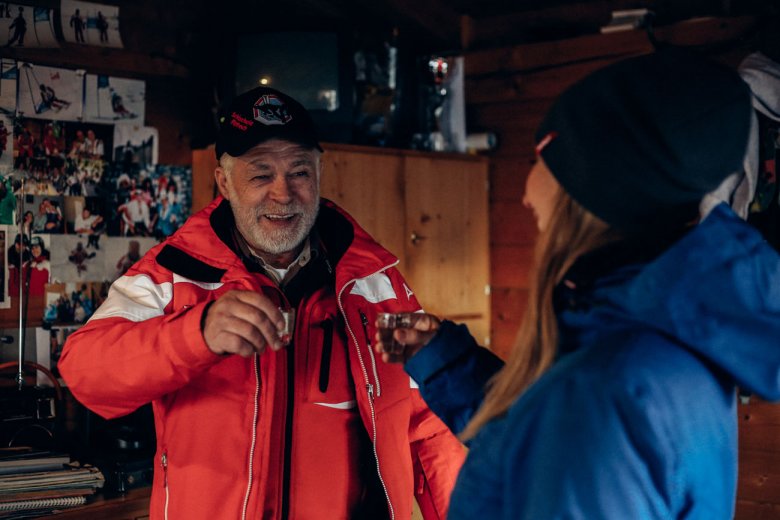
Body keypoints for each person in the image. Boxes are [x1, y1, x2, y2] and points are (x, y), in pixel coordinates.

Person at [374, 48, 780, 519]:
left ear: (594, 187)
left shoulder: (609, 388)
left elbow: (579, 431)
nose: (525, 193)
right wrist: (445, 362)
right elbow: (543, 447)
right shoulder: (665, 332)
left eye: (538, 158)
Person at [59, 85, 464, 519]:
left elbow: (432, 425)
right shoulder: (173, 273)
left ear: (319, 174)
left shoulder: (376, 284)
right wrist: (195, 335)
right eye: (260, 174)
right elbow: (85, 373)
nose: (283, 193)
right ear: (224, 182)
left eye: (299, 172)